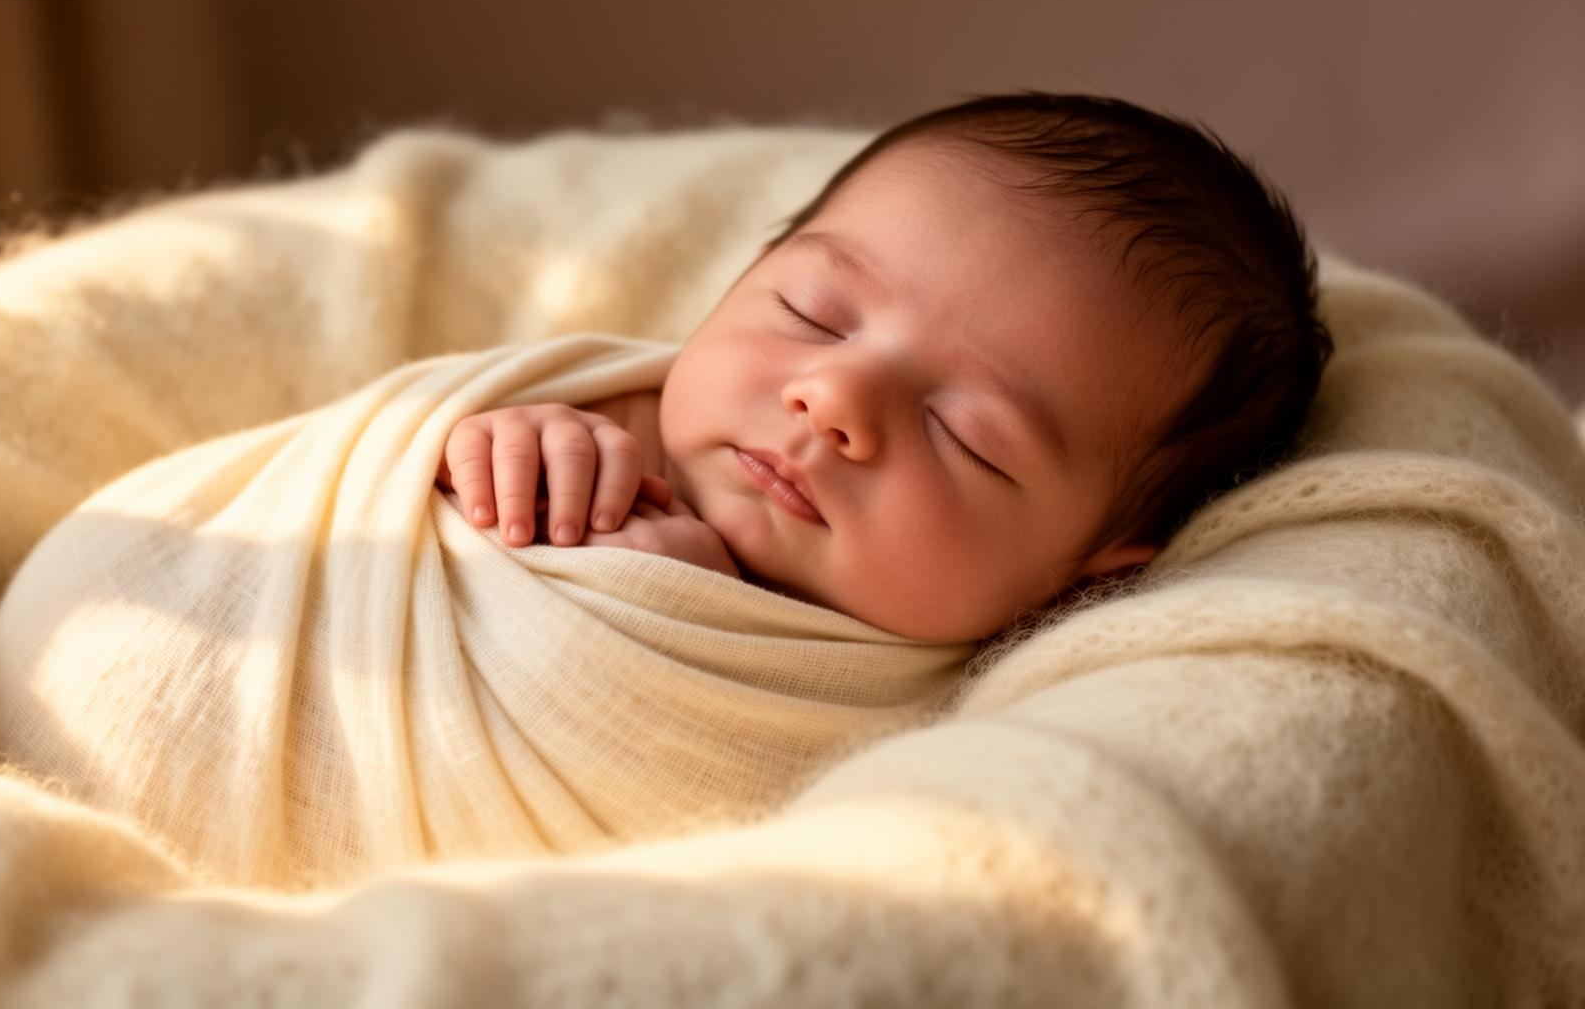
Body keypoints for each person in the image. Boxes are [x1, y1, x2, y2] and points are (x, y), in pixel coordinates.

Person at [438, 92, 1333, 644]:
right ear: (746, 276)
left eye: (966, 436)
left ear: (1086, 579)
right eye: (812, 315)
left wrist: (668, 619)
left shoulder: (962, 713)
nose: (834, 398)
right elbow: (372, 479)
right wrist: (483, 452)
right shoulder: (592, 418)